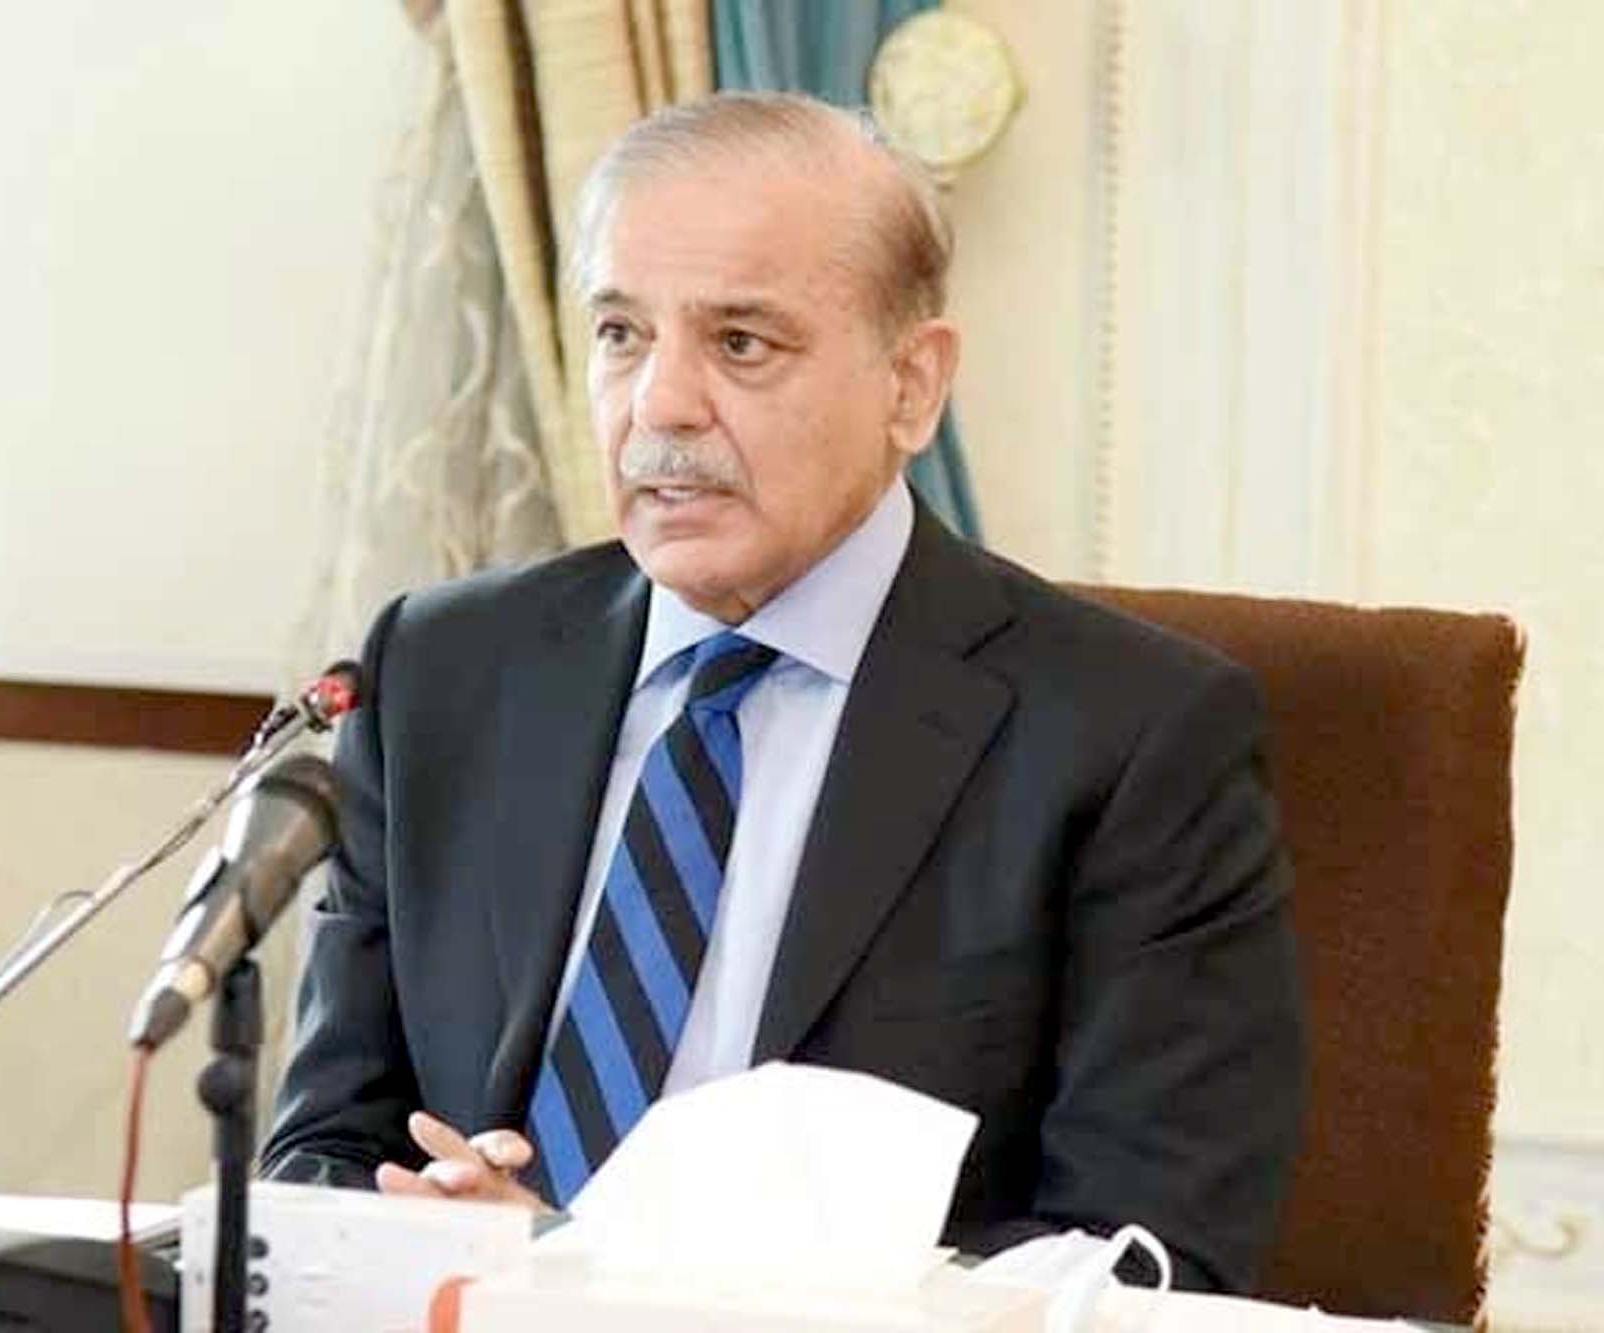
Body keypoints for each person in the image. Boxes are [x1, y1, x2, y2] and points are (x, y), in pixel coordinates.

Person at [261, 90, 1304, 1293]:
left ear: (911, 385)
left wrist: (598, 1284)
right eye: (620, 333)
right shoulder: (440, 670)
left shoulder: (1130, 738)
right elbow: (322, 1152)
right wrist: (436, 1236)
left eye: (741, 343)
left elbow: (1145, 1255)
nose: (659, 404)